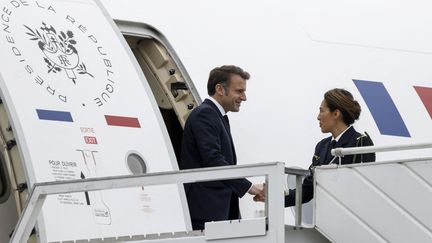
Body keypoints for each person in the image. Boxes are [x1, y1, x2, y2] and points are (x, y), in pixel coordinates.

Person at [180, 65, 264, 230]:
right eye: (239, 91)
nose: (244, 97)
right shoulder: (205, 114)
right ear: (219, 89)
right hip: (205, 208)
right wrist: (249, 187)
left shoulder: (217, 116)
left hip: (215, 208)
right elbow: (213, 159)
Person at [284, 88, 376, 207]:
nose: (318, 117)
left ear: (336, 114)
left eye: (321, 111)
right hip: (325, 219)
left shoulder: (361, 141)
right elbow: (307, 190)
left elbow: (364, 187)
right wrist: (273, 196)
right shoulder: (322, 146)